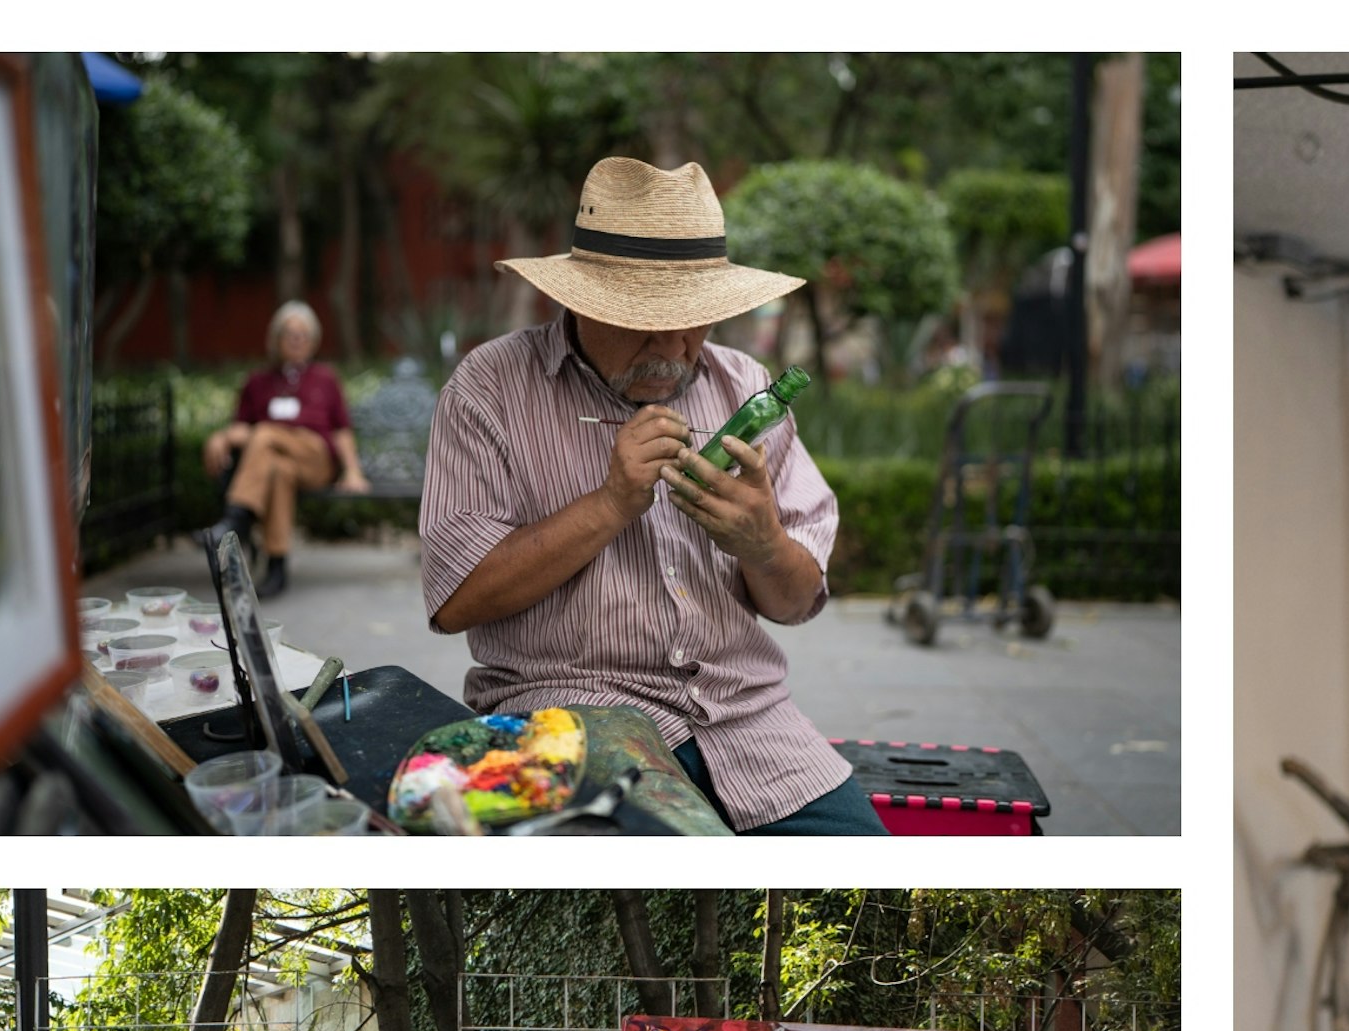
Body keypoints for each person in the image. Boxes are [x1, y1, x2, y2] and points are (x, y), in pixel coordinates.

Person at [417, 157, 885, 834]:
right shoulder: (490, 387)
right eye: (644, 320)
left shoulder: (743, 386)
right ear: (577, 301)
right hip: (575, 718)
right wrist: (609, 505)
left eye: (695, 320)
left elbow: (793, 601)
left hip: (752, 725)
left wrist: (762, 542)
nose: (673, 344)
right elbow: (457, 598)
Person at [203, 301, 368, 600]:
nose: (296, 339)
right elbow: (241, 428)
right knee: (277, 470)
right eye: (289, 333)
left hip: (316, 459)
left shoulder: (325, 378)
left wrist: (353, 469)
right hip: (278, 460)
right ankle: (277, 567)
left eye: (303, 334)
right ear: (276, 339)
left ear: (313, 341)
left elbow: (342, 430)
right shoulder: (258, 381)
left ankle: (237, 516)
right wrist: (221, 438)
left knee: (264, 433)